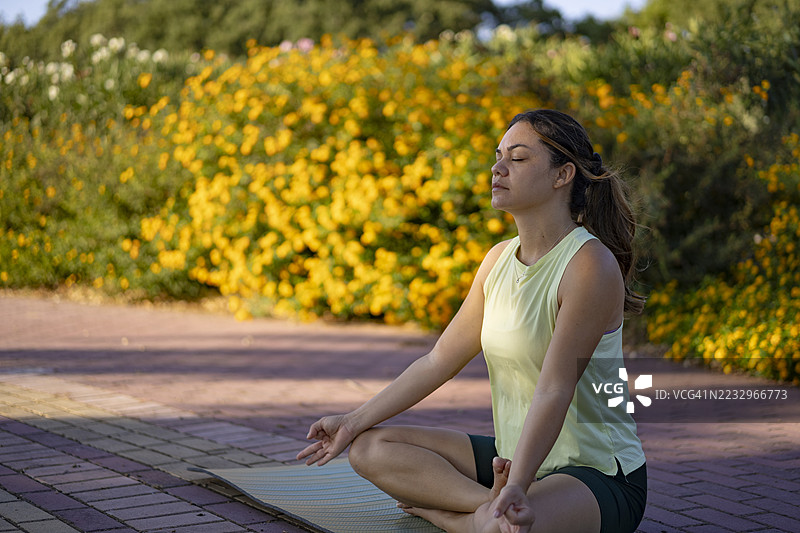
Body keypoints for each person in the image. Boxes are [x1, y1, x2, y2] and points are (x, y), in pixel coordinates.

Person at [297, 109, 648, 533]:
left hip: (597, 475)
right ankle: (487, 509)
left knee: (512, 530)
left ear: (563, 175)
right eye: (498, 156)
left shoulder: (589, 265)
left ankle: (460, 517)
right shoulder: (498, 260)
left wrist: (517, 485)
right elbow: (438, 360)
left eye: (517, 159)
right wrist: (352, 421)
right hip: (513, 460)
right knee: (369, 448)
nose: (497, 169)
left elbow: (556, 387)